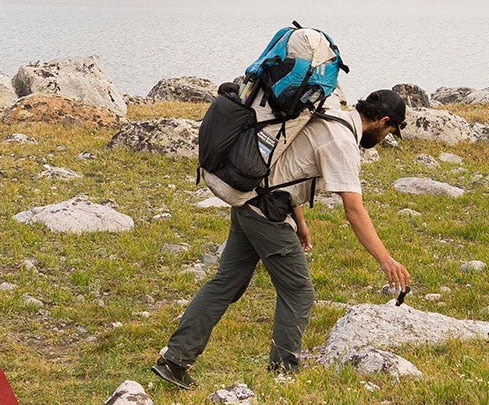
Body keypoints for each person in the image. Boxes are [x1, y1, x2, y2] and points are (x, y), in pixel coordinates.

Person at [151, 88, 412, 389]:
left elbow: (286, 161)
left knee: (225, 283)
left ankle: (174, 360)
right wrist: (386, 259)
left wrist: (300, 220)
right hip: (266, 214)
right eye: (389, 132)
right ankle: (284, 373)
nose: (385, 137)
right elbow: (354, 210)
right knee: (299, 292)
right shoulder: (342, 143)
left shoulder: (328, 117)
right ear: (382, 120)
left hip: (248, 199)